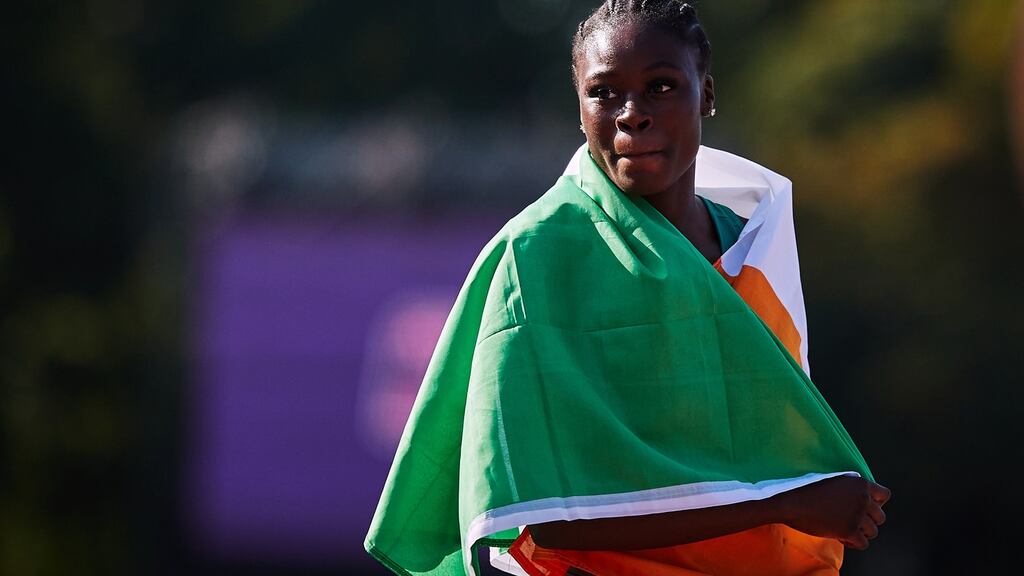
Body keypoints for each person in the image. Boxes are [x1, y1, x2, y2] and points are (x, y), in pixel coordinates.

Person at [365, 2, 890, 575]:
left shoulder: (755, 244)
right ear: (580, 108)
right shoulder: (535, 255)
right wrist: (786, 501)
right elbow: (550, 515)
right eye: (604, 93)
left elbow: (765, 446)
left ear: (707, 93)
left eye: (661, 86)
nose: (631, 115)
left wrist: (812, 492)